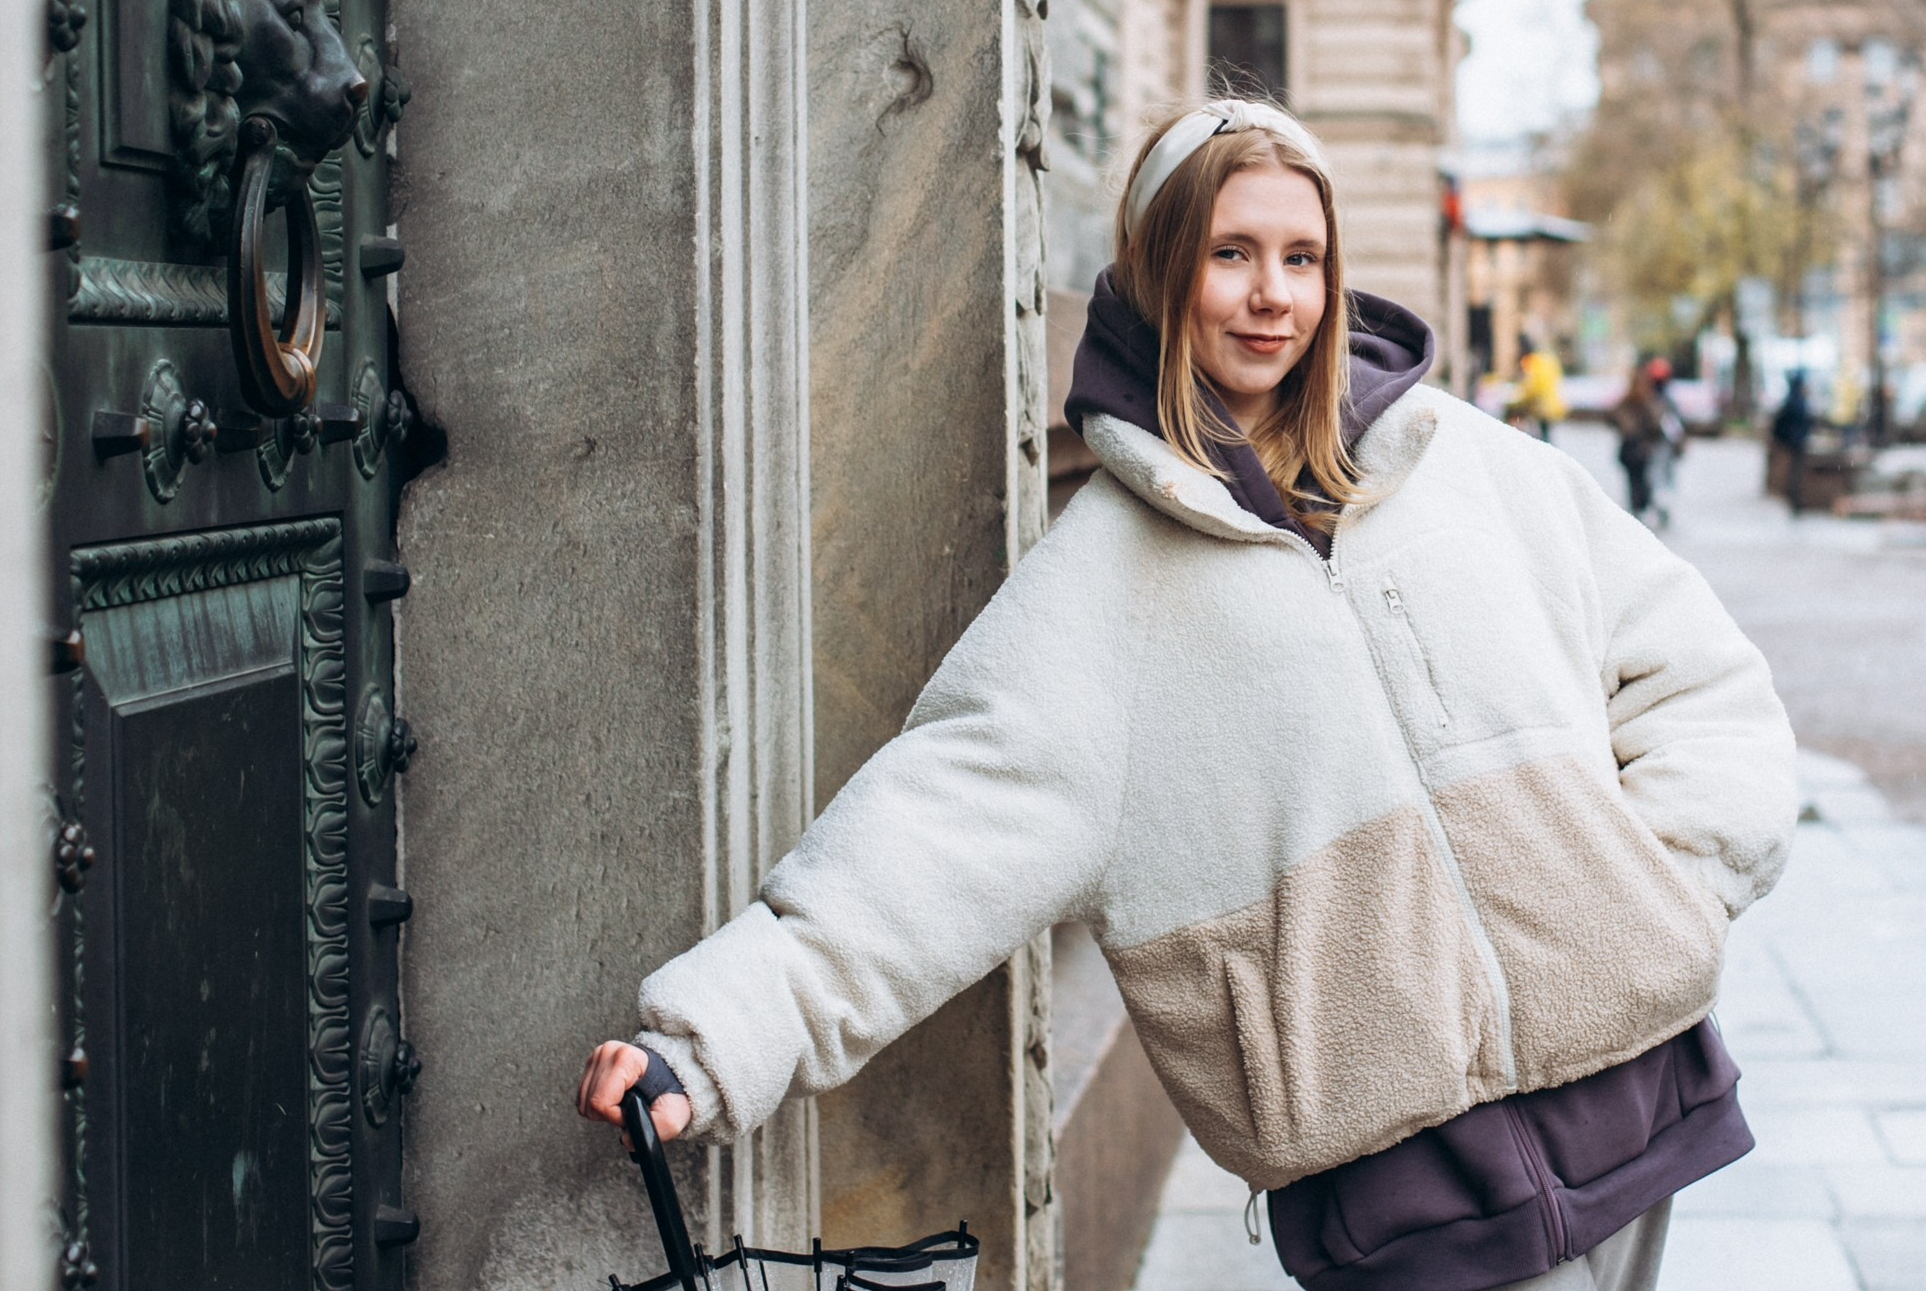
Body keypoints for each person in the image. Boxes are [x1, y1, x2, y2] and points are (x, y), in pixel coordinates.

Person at [578, 99, 1796, 1291]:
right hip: (1403, 1205)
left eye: (1302, 258)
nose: (1274, 294)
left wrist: (1664, 900)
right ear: (1163, 276)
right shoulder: (1103, 586)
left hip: (1645, 1102)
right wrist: (710, 1040)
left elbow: (1699, 680)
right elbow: (929, 838)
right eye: (1232, 255)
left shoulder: (1475, 471)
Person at [1611, 360, 1682, 529]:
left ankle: (1641, 510)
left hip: (1637, 449)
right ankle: (1646, 509)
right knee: (1650, 480)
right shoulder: (1652, 401)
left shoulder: (1643, 400)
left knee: (1640, 481)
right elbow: (1662, 425)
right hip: (1643, 449)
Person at [1503, 335, 1568, 445]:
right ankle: (1548, 455)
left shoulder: (1532, 361)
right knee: (1545, 434)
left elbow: (1532, 386)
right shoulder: (1545, 358)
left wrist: (1519, 397)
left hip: (1542, 406)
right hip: (1553, 404)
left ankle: (1546, 457)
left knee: (1542, 437)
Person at [1768, 371, 1814, 514]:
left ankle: (1794, 499)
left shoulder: (1793, 400)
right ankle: (1794, 500)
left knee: (1794, 472)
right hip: (1796, 442)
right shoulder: (1796, 402)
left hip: (1795, 441)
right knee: (1795, 473)